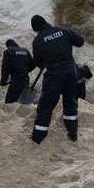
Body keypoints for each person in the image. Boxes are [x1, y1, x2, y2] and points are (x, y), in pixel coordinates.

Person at [30, 15, 84, 144]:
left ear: (36, 29)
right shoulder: (64, 30)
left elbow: (38, 62)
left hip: (54, 73)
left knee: (46, 104)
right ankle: (72, 134)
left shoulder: (37, 41)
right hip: (71, 70)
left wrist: (48, 60)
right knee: (70, 101)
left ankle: (38, 137)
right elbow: (80, 41)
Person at [0, 39, 36, 104]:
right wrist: (25, 71)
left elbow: (5, 69)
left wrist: (3, 82)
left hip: (16, 81)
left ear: (8, 46)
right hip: (25, 79)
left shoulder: (8, 52)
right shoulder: (25, 51)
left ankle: (10, 114)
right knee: (23, 103)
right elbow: (33, 64)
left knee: (9, 102)